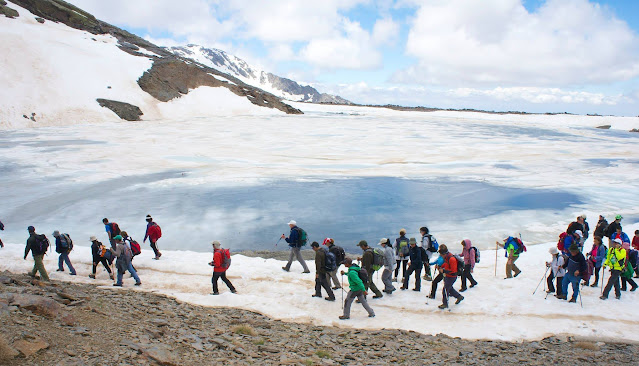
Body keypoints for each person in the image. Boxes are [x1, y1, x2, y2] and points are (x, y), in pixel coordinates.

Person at [438, 244, 463, 309]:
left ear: (444, 254)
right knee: (449, 288)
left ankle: (445, 304)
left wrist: (443, 270)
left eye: (441, 255)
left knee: (445, 290)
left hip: (451, 277)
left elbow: (453, 270)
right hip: (448, 276)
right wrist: (441, 266)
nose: (441, 256)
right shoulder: (448, 257)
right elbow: (446, 264)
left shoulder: (451, 259)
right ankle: (459, 296)